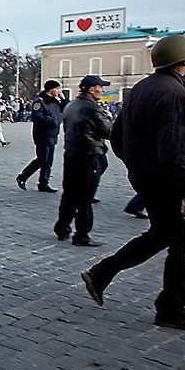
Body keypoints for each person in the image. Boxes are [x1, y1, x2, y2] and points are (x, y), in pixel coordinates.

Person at [82, 34, 185, 332]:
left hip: (149, 179)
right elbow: (178, 148)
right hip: (171, 182)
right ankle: (172, 308)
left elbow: (118, 137)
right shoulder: (176, 95)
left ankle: (102, 273)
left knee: (162, 234)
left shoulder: (141, 88)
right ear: (183, 61)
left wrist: (137, 166)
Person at [54, 75, 112, 247]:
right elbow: (108, 131)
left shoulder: (71, 105)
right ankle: (82, 235)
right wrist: (108, 117)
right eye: (101, 87)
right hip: (89, 155)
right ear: (92, 89)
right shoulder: (94, 109)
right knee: (86, 196)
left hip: (71, 153)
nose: (102, 90)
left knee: (69, 193)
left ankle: (62, 227)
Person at [16, 80, 66, 193]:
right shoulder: (40, 102)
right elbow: (37, 117)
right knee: (42, 159)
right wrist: (51, 120)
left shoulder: (54, 102)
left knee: (48, 160)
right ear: (51, 89)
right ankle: (22, 177)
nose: (59, 91)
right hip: (42, 134)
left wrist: (63, 99)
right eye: (57, 89)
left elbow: (64, 109)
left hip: (53, 134)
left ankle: (43, 183)